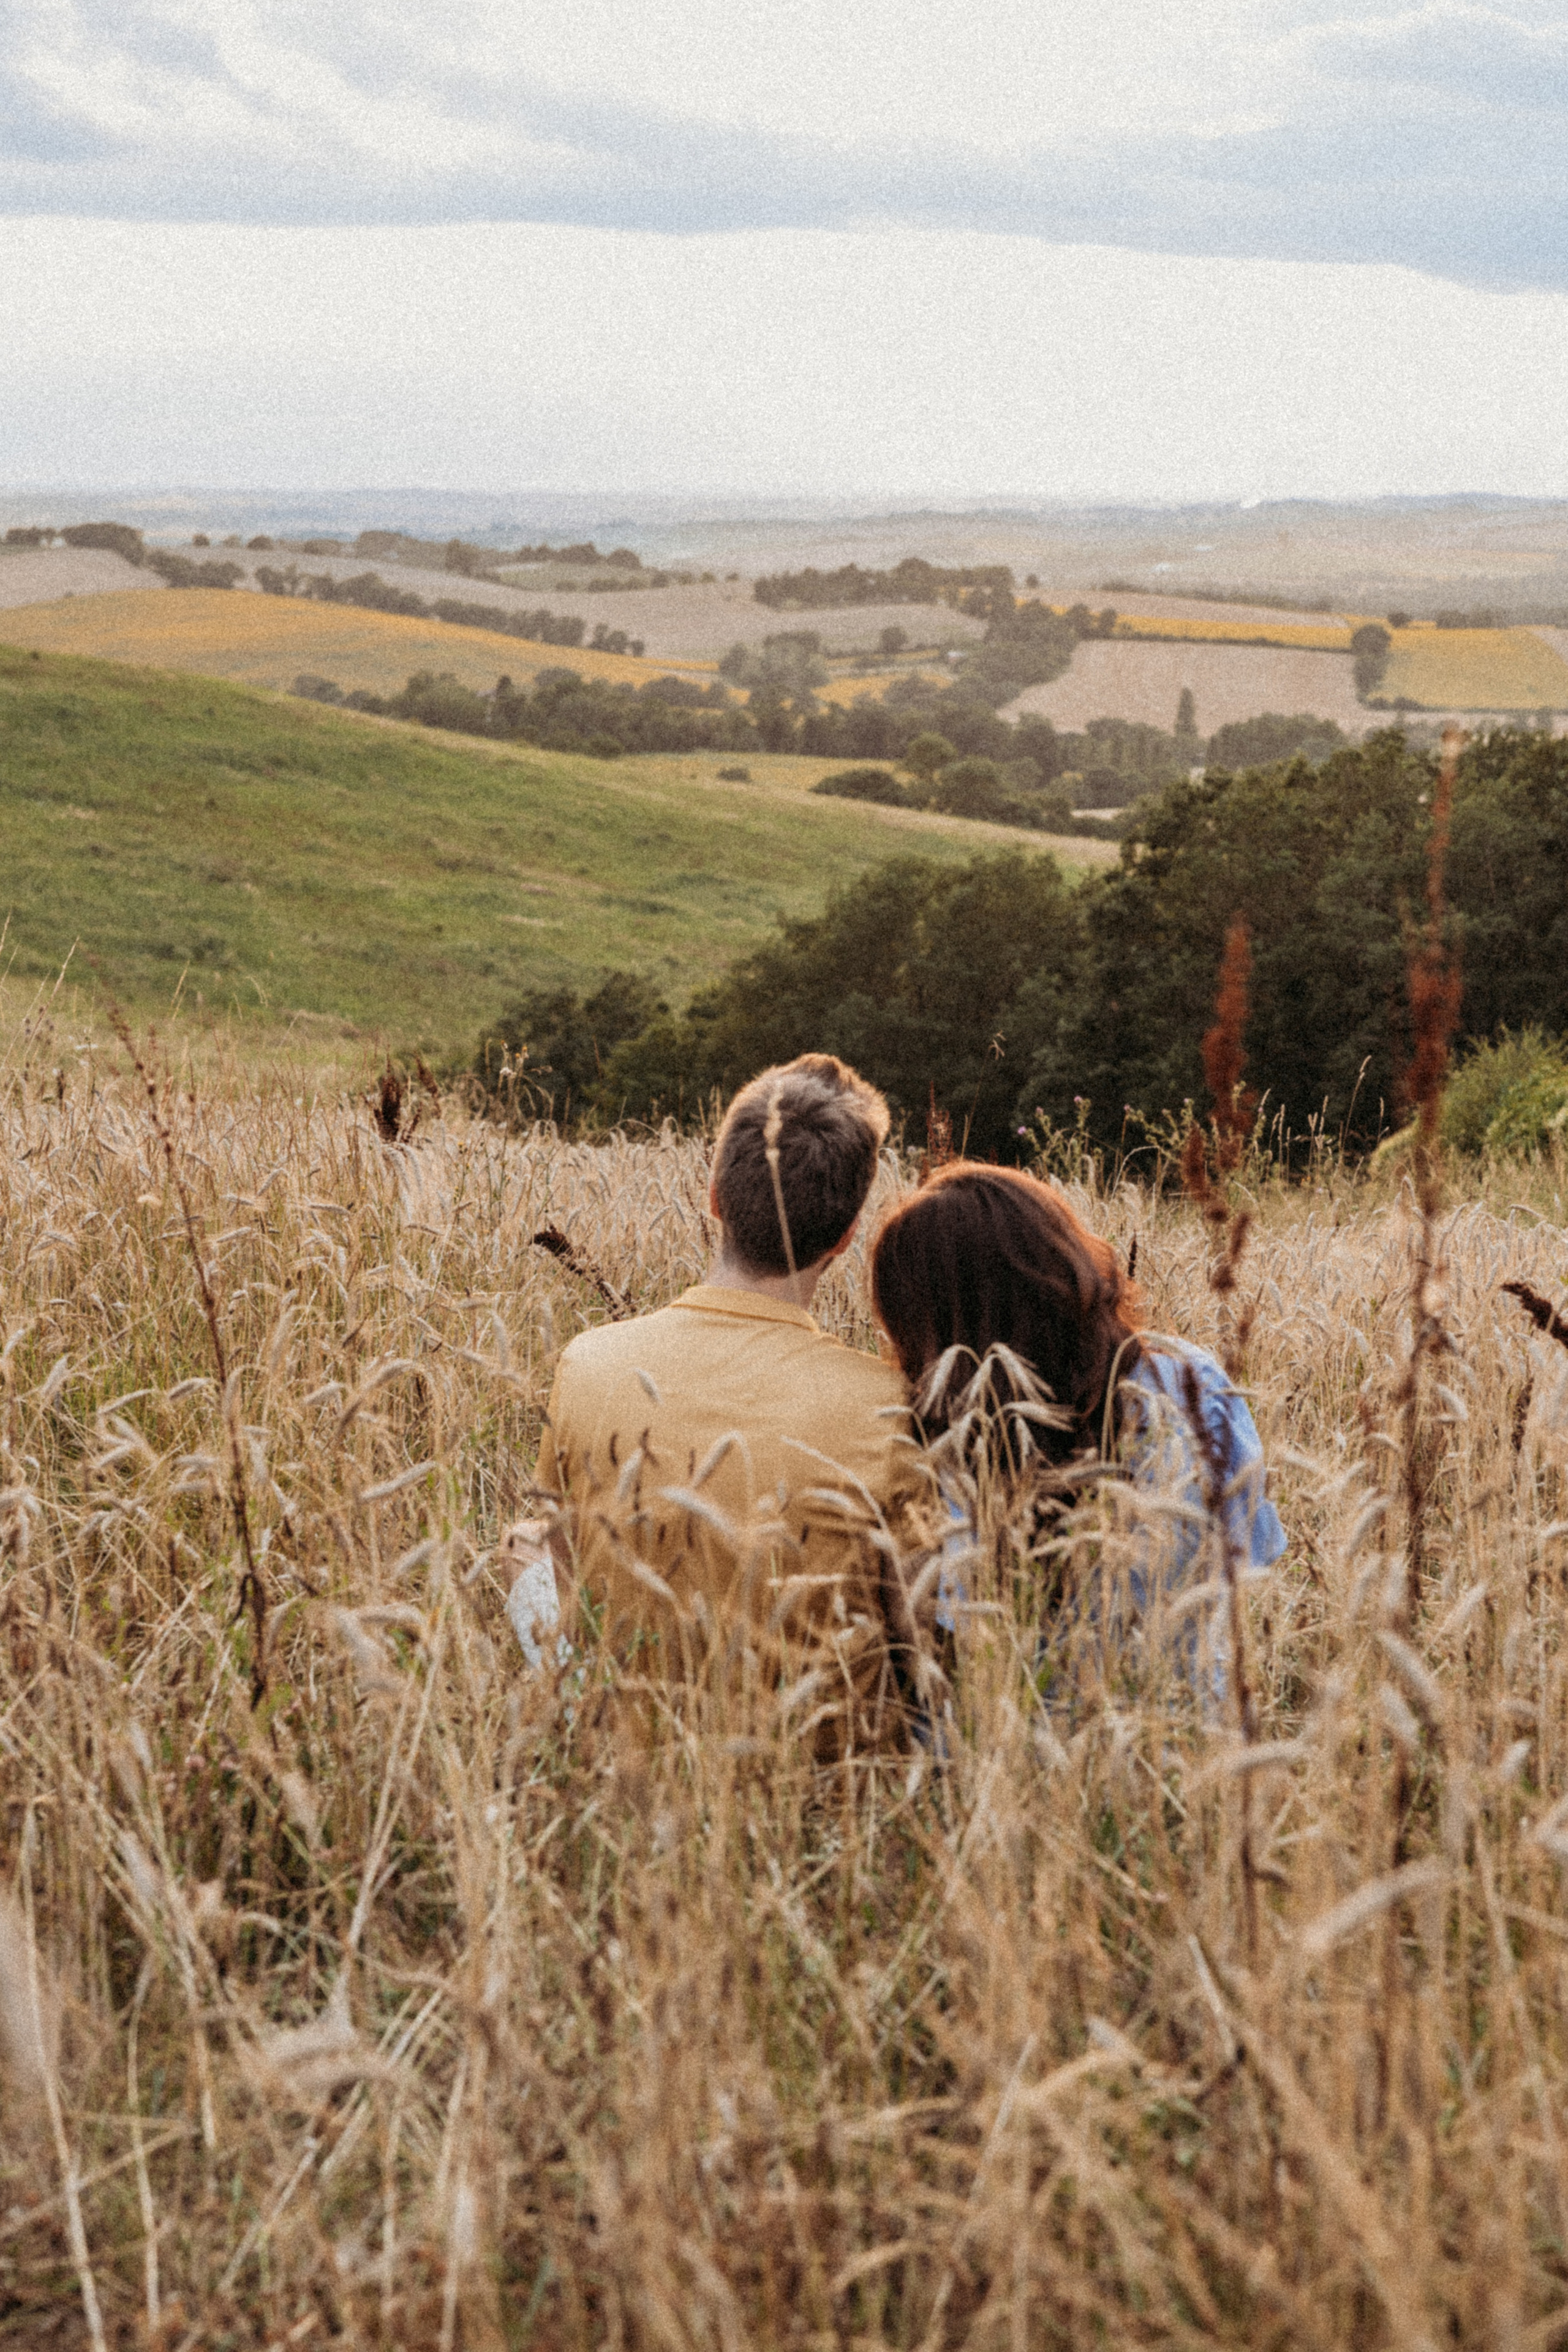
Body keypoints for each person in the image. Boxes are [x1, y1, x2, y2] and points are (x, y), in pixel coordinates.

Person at [510, 1055, 929, 1754]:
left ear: (713, 1197)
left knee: (521, 1544)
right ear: (847, 1236)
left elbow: (556, 1573)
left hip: (620, 1781)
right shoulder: (892, 1411)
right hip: (822, 1806)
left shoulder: (588, 1363)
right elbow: (928, 1649)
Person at [868, 1162, 1284, 1702]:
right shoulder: (1192, 1383)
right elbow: (1257, 1552)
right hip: (1185, 1733)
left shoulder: (928, 1446)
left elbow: (936, 1647)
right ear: (1064, 1263)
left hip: (1000, 1746)